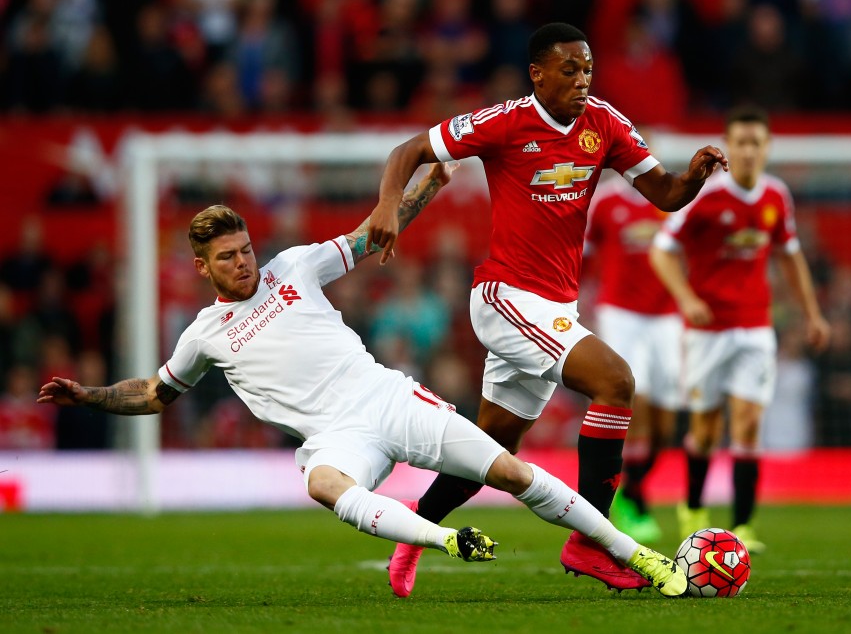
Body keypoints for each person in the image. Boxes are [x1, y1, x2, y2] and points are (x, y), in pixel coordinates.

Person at [36, 163, 687, 597]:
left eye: (245, 250)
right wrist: (87, 394)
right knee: (321, 480)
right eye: (227, 258)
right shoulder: (203, 334)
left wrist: (429, 182)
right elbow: (154, 392)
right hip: (334, 434)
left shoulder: (294, 266)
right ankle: (440, 538)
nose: (243, 263)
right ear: (203, 267)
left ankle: (635, 555)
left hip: (388, 396)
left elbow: (378, 233)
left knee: (510, 472)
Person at [364, 22, 727, 596]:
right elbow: (407, 150)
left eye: (588, 70)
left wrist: (696, 178)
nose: (582, 80)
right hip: (505, 296)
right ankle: (592, 541)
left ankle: (414, 534)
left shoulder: (604, 123)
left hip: (553, 305)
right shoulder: (503, 121)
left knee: (494, 447)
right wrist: (388, 205)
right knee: (616, 382)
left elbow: (663, 194)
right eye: (569, 70)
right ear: (537, 73)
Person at [649, 106, 830, 554]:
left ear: (767, 148)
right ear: (729, 147)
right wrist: (687, 299)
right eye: (741, 142)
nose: (748, 151)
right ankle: (692, 508)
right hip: (707, 331)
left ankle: (744, 525)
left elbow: (790, 256)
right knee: (707, 429)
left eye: (756, 142)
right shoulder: (707, 196)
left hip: (754, 327)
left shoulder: (776, 197)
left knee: (748, 426)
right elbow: (661, 250)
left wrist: (812, 314)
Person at [584, 175, 683, 543]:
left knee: (666, 423)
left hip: (666, 316)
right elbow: (586, 254)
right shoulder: (607, 202)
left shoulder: (669, 199)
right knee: (634, 400)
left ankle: (634, 486)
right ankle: (633, 500)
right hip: (621, 313)